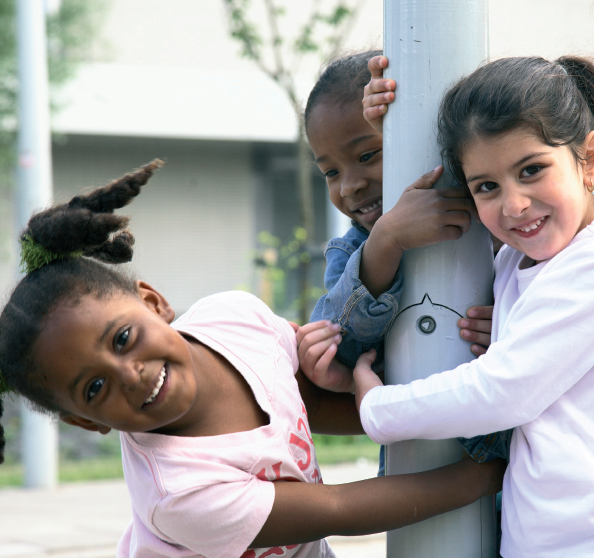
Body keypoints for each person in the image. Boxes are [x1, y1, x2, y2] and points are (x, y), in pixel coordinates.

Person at [0, 161, 504, 558]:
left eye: (124, 338)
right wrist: (484, 473)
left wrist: (440, 410)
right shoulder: (180, 493)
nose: (129, 375)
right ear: (85, 422)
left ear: (153, 303)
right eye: (94, 389)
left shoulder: (235, 318)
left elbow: (313, 405)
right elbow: (338, 509)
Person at [320, 54, 594, 557]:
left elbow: (504, 390)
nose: (513, 204)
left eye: (532, 170)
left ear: (589, 159)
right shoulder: (516, 256)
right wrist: (394, 129)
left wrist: (377, 408)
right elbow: (443, 198)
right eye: (487, 186)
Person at [302, 50, 509, 471]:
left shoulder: (495, 215)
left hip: (515, 467)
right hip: (417, 466)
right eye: (330, 172)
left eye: (366, 155)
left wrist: (510, 321)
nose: (350, 186)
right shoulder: (350, 252)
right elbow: (345, 347)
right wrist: (385, 241)